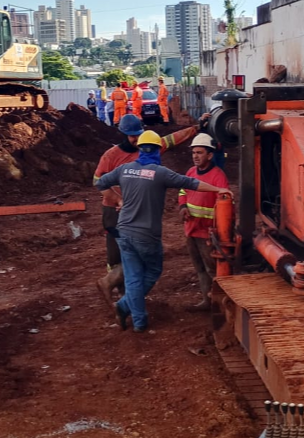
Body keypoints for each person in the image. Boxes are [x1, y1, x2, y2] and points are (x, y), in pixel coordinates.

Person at [95, 130, 231, 332]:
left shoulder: (125, 169)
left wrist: (119, 200)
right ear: (158, 150)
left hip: (124, 231)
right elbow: (189, 183)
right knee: (153, 270)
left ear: (140, 149)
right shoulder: (160, 173)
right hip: (146, 235)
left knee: (133, 276)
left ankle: (138, 321)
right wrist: (217, 190)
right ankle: (125, 307)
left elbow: (100, 182)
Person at [91, 114, 198, 305]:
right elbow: (98, 181)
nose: (137, 139)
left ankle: (126, 296)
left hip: (135, 210)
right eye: (133, 136)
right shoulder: (111, 156)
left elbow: (171, 139)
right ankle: (117, 289)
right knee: (118, 252)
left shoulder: (146, 147)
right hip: (114, 210)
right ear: (123, 134)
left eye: (139, 135)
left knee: (134, 250)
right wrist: (117, 199)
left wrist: (196, 128)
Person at [178, 132, 229, 309]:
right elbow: (183, 192)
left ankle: (219, 303)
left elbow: (225, 204)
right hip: (191, 230)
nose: (195, 156)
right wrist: (183, 207)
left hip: (206, 233)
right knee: (199, 269)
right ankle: (207, 301)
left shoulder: (218, 176)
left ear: (209, 155)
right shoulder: (191, 172)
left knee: (212, 269)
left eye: (199, 153)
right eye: (193, 153)